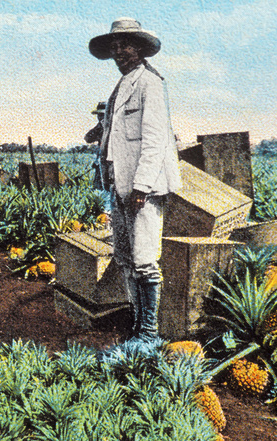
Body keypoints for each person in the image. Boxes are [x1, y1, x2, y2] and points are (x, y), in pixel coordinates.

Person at [89, 17, 181, 341]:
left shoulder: (150, 84)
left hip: (144, 188)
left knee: (144, 260)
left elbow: (155, 139)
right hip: (120, 186)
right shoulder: (121, 86)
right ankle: (137, 327)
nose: (119, 52)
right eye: (115, 47)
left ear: (140, 48)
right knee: (125, 259)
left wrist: (141, 187)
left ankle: (149, 333)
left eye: (125, 45)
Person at [84, 101, 113, 215]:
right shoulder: (100, 127)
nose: (100, 117)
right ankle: (100, 212)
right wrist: (99, 126)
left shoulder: (112, 127)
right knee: (98, 187)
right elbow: (87, 138)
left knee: (108, 188)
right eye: (99, 115)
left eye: (102, 114)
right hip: (99, 163)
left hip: (109, 163)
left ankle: (107, 212)